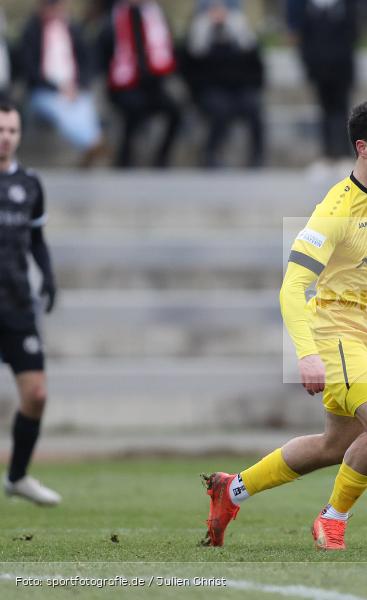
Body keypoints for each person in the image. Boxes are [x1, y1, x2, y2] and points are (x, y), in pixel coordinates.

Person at [200, 98, 367, 551]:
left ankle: (232, 489)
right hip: (335, 334)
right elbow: (292, 286)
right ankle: (332, 519)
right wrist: (307, 354)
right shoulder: (335, 210)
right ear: (363, 148)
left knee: (335, 445)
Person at [0, 102, 59, 506]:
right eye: (0, 130)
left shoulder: (30, 183)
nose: (5, 138)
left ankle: (17, 476)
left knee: (36, 395)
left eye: (12, 131)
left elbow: (36, 238)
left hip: (17, 304)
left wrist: (48, 276)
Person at [19, 0, 105, 167]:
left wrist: (77, 85)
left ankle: (92, 145)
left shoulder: (74, 30)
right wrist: (58, 88)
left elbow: (88, 61)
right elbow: (29, 69)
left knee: (84, 105)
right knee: (62, 110)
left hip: (74, 88)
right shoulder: (32, 32)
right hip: (44, 91)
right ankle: (93, 144)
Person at [181, 0, 265, 168]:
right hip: (210, 89)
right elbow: (189, 70)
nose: (219, 13)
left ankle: (257, 156)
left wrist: (251, 86)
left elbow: (256, 67)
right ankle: (210, 153)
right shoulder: (199, 35)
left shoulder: (242, 36)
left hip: (240, 88)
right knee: (220, 110)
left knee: (254, 108)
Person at [97, 0, 181, 168]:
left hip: (153, 84)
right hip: (123, 85)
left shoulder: (156, 16)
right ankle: (125, 157)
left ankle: (161, 158)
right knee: (134, 108)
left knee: (176, 112)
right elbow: (103, 54)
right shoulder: (112, 19)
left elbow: (168, 49)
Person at [286, 0, 358, 163]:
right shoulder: (308, 8)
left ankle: (344, 151)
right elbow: (304, 40)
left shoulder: (345, 6)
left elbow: (352, 34)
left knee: (342, 110)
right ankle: (328, 151)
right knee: (324, 110)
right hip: (319, 69)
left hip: (341, 69)